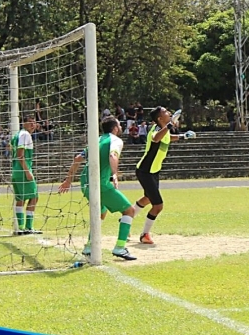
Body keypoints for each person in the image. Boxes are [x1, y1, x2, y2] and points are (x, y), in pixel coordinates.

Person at [58, 116, 136, 260]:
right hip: (100, 182)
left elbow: (77, 159)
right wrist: (114, 175)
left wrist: (68, 180)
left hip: (85, 181)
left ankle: (89, 246)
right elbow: (113, 155)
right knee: (129, 210)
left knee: (100, 211)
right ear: (115, 128)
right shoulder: (115, 140)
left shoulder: (97, 140)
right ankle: (120, 247)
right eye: (119, 125)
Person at [133, 106, 193, 244]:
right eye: (166, 112)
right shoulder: (156, 130)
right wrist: (170, 125)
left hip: (153, 171)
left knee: (148, 199)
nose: (169, 113)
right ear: (160, 119)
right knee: (158, 205)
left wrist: (183, 136)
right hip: (145, 171)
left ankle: (127, 217)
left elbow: (167, 137)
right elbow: (156, 138)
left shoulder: (164, 131)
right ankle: (145, 235)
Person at [10, 114, 40, 234]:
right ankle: (28, 227)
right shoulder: (25, 135)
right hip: (23, 171)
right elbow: (20, 155)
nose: (33, 124)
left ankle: (21, 228)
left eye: (34, 122)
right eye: (30, 122)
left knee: (20, 199)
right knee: (34, 197)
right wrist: (27, 172)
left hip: (15, 171)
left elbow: (10, 148)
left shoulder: (17, 135)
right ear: (24, 123)